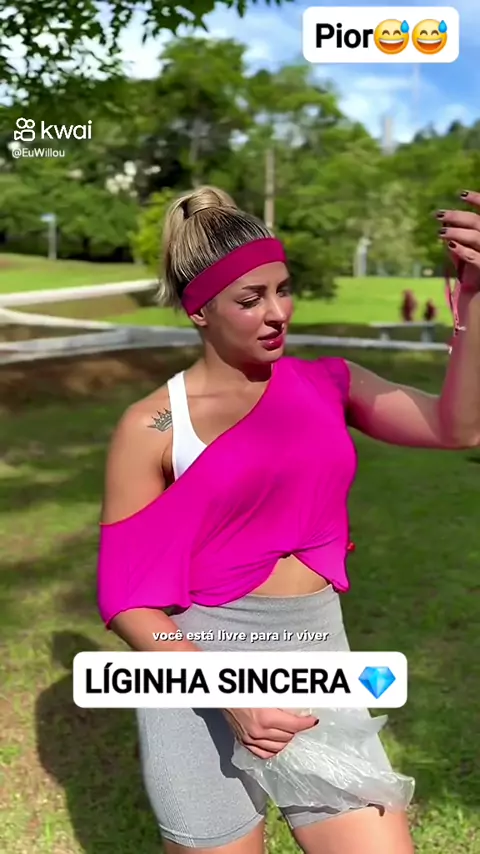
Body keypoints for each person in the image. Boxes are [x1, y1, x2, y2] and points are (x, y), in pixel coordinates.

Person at [96, 186, 480, 854]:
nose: (277, 313)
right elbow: (126, 598)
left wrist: (473, 299)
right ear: (198, 309)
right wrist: (230, 697)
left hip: (315, 655)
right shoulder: (153, 425)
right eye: (250, 299)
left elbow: (458, 427)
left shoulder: (329, 383)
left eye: (283, 290)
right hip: (197, 676)